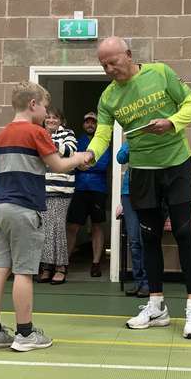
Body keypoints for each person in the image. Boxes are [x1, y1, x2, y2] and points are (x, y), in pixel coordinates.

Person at [84, 36, 191, 339]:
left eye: (113, 62)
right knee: (146, 238)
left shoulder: (161, 73)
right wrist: (90, 155)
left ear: (129, 55)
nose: (109, 69)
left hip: (176, 166)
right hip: (142, 173)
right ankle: (156, 306)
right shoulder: (109, 98)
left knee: (182, 231)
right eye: (103, 65)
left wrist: (172, 122)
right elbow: (101, 135)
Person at [0, 82, 85, 352]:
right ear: (33, 104)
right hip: (23, 209)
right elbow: (58, 164)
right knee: (24, 272)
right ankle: (25, 334)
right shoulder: (36, 132)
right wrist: (81, 156)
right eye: (45, 107)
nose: (46, 113)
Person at [65, 112, 111, 277]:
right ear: (83, 124)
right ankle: (65, 262)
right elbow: (71, 161)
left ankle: (96, 263)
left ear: (97, 124)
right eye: (87, 122)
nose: (90, 124)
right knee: (72, 226)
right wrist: (80, 162)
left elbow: (103, 164)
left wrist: (81, 163)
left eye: (93, 122)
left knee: (97, 226)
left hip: (98, 189)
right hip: (79, 189)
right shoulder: (77, 141)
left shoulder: (103, 142)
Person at [38, 107, 77, 285]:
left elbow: (70, 151)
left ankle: (61, 266)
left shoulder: (68, 133)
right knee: (45, 228)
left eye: (54, 118)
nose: (51, 120)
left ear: (61, 120)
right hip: (41, 188)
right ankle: (47, 266)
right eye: (48, 118)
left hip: (61, 189)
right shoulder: (38, 133)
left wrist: (49, 145)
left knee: (58, 227)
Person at [117, 141, 149, 298]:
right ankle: (139, 281)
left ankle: (149, 283)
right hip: (128, 193)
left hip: (148, 192)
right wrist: (133, 142)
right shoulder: (132, 138)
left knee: (146, 240)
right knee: (134, 240)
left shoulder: (155, 139)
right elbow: (120, 158)